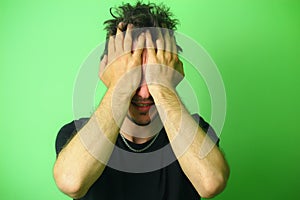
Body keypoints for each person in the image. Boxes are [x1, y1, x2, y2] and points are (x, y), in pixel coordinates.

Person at [53, 1, 230, 200]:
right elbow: (71, 181)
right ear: (108, 71)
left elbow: (211, 182)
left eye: (154, 74)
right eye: (132, 74)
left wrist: (163, 88)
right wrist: (119, 89)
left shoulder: (196, 132)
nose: (145, 93)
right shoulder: (77, 134)